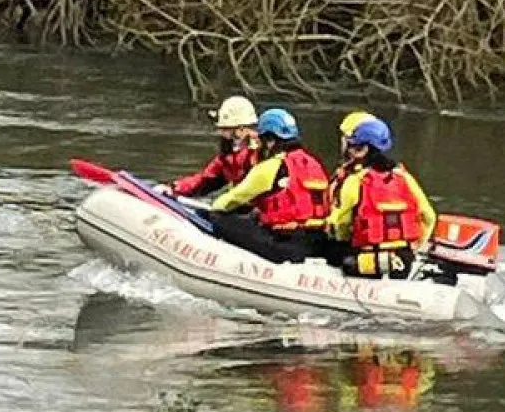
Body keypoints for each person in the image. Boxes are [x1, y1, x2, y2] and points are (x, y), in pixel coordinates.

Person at [207, 108, 331, 263]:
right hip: (317, 242)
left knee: (218, 217)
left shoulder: (271, 166)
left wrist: (215, 211)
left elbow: (229, 200)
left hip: (285, 245)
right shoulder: (314, 163)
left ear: (270, 141)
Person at [322, 118, 436, 278]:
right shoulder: (404, 177)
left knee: (331, 249)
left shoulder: (356, 180)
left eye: (353, 146)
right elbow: (429, 217)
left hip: (366, 260)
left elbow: (340, 223)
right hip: (403, 260)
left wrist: (340, 239)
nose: (350, 150)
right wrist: (416, 245)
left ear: (363, 149)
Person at [163, 95, 260, 199]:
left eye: (225, 129)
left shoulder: (258, 152)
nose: (221, 132)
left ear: (241, 129)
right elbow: (205, 179)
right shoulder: (228, 155)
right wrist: (175, 188)